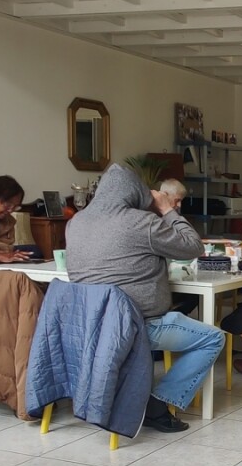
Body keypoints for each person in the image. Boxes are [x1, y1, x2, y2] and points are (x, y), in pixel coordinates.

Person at [64, 165, 223, 433]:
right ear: (136, 192)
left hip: (90, 328)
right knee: (213, 338)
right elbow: (193, 247)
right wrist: (167, 210)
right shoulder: (142, 223)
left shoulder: (75, 223)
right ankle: (156, 406)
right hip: (136, 326)